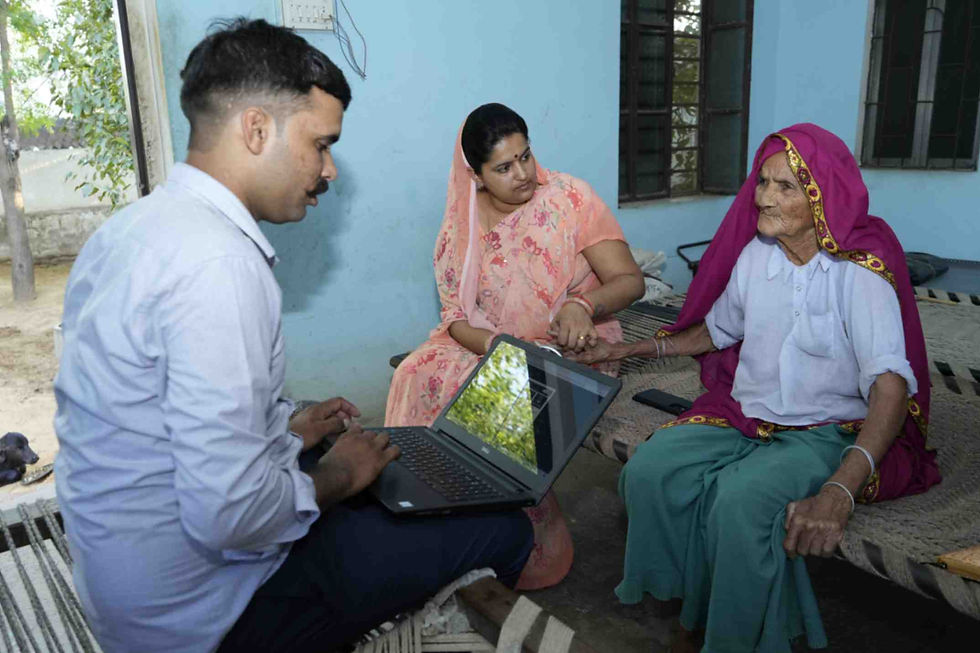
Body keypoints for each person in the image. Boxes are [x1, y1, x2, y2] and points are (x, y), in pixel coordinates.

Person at [54, 19, 532, 653]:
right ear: (256, 130)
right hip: (209, 617)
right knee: (503, 528)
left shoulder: (133, 229)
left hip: (131, 585)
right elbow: (229, 516)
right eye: (321, 144)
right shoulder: (219, 266)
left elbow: (154, 420)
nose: (329, 169)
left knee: (376, 486)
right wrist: (336, 476)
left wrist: (288, 429)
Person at [568, 123, 941, 652]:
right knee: (649, 471)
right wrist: (621, 350)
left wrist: (839, 489)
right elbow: (716, 331)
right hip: (745, 415)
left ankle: (735, 636)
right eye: (762, 182)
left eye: (784, 186)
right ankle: (697, 602)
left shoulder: (860, 272)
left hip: (825, 430)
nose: (763, 197)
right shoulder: (756, 257)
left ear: (821, 197)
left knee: (738, 502)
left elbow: (889, 385)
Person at [384, 103, 644, 589]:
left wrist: (584, 305)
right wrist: (500, 348)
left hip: (573, 344)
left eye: (526, 156)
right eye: (504, 168)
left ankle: (527, 532)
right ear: (476, 176)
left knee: (500, 401)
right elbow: (457, 320)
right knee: (418, 375)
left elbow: (630, 282)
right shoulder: (460, 227)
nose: (523, 174)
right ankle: (448, 526)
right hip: (491, 343)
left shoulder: (569, 198)